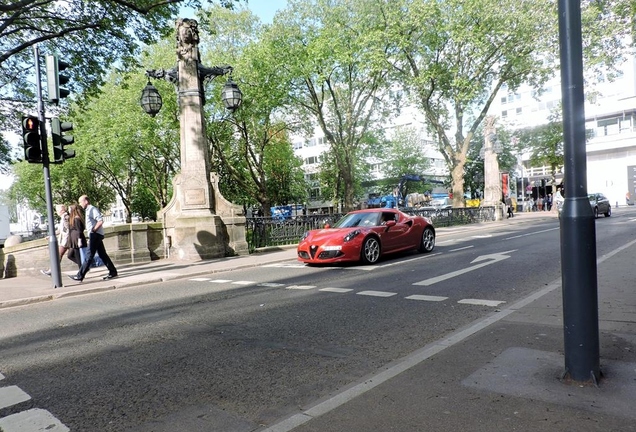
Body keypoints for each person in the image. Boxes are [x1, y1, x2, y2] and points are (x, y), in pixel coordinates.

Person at [68, 195, 118, 282]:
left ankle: (80, 275)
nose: (80, 204)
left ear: (86, 201)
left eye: (81, 202)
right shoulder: (88, 210)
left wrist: (93, 230)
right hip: (96, 235)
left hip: (95, 235)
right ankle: (113, 271)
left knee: (89, 255)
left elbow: (100, 221)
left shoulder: (92, 209)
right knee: (102, 254)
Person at [40, 204, 70, 276]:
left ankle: (51, 271)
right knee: (73, 255)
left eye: (57, 210)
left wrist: (65, 238)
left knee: (58, 255)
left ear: (62, 210)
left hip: (65, 240)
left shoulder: (65, 217)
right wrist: (51, 236)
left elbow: (68, 229)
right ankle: (84, 267)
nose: (57, 212)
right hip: (64, 240)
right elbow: (60, 230)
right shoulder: (63, 218)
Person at [66, 204, 86, 270]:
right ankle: (84, 267)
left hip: (77, 240)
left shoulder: (77, 219)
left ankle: (82, 270)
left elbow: (79, 230)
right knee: (70, 255)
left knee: (78, 256)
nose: (68, 210)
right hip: (73, 240)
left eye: (69, 209)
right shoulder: (72, 218)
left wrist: (79, 240)